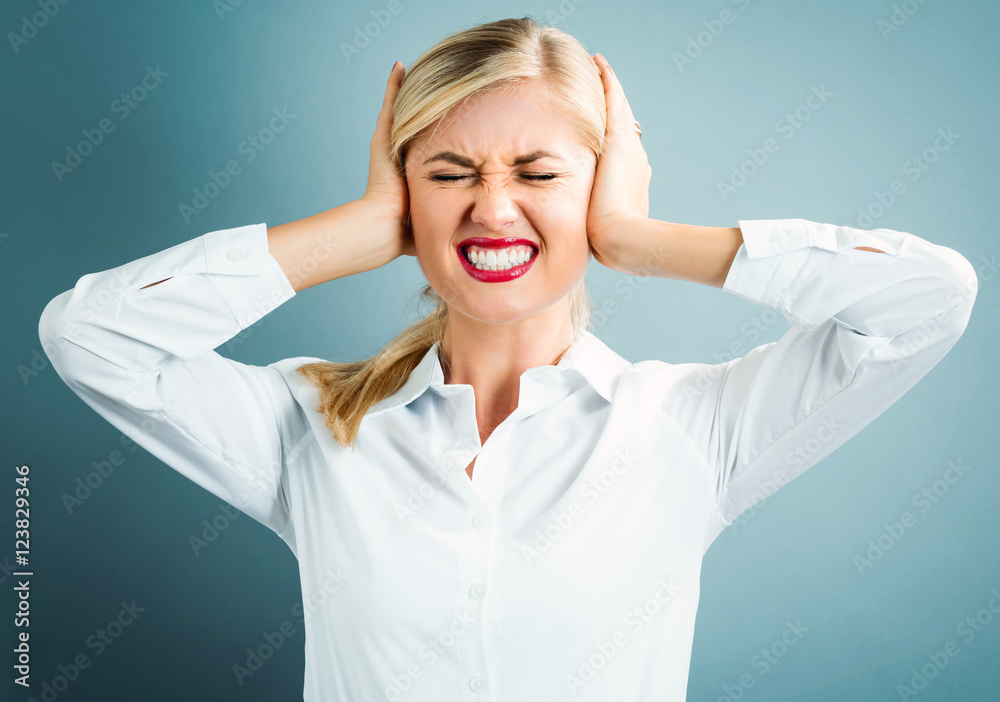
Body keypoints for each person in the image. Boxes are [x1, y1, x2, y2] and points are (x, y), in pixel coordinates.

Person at [38, 16, 977, 702]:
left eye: (539, 174)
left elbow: (929, 300)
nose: (491, 209)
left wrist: (638, 237)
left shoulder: (691, 428)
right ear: (405, 192)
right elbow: (88, 338)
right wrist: (359, 231)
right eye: (449, 173)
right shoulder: (313, 427)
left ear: (599, 185)